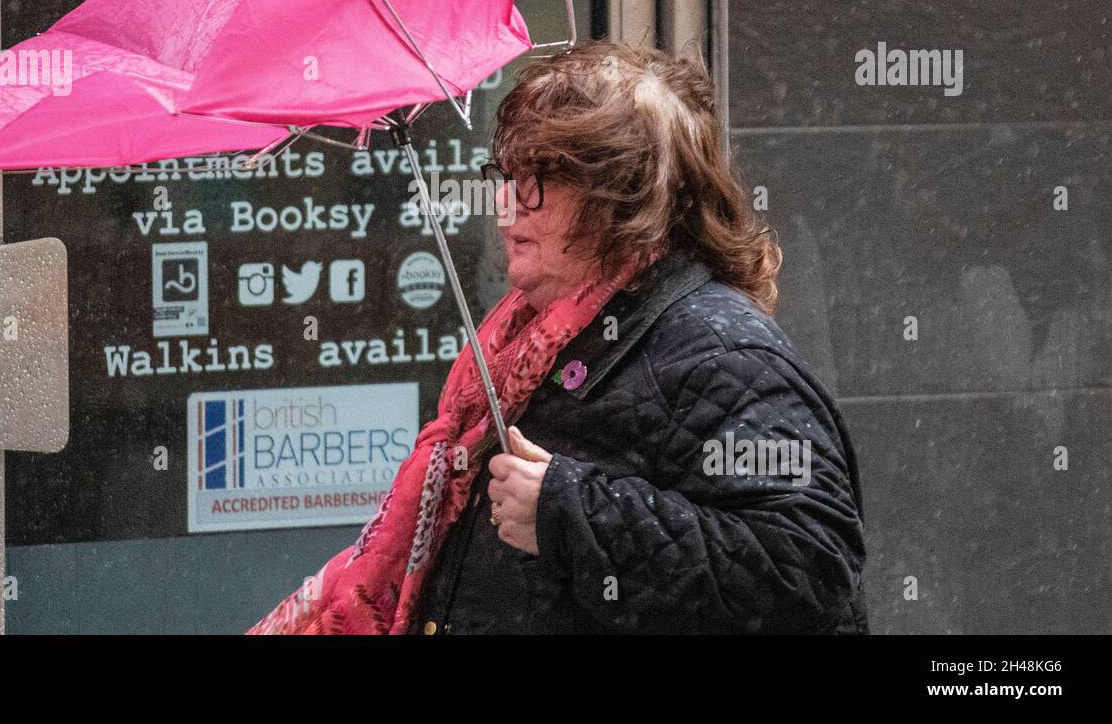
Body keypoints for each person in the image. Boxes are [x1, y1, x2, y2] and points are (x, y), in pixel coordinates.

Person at [248, 40, 868, 635]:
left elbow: (808, 569)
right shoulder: (529, 340)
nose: (508, 202)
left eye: (541, 179)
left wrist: (570, 512)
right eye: (508, 172)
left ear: (621, 199)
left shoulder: (720, 351)